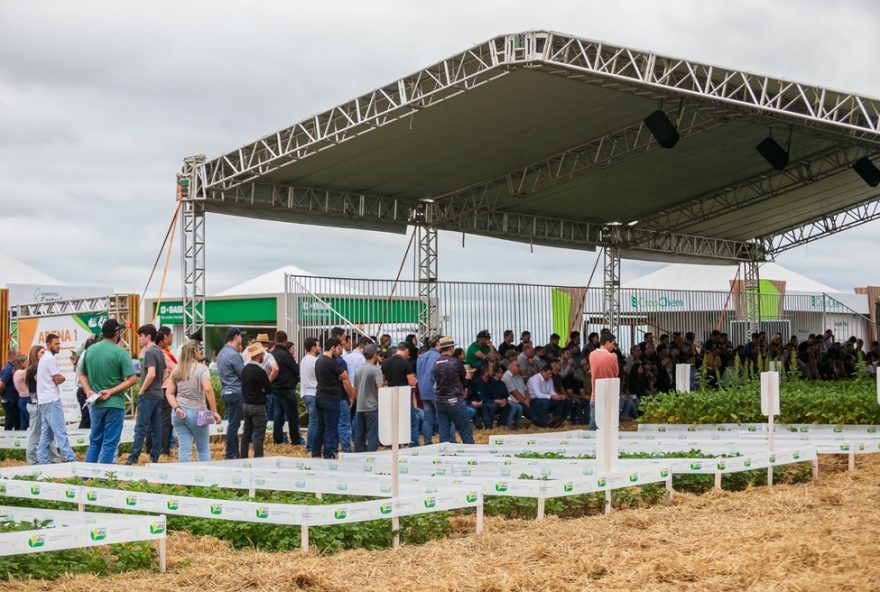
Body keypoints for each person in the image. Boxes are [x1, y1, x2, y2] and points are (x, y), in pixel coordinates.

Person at [80, 319, 138, 464]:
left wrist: (88, 390)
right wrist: (111, 391)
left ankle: (87, 474)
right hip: (114, 404)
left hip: (95, 403)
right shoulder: (120, 352)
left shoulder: (90, 350)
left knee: (94, 442)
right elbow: (132, 379)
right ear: (117, 333)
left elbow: (82, 374)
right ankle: (104, 476)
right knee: (109, 444)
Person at [165, 340, 221, 462]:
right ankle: (204, 474)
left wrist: (176, 408)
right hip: (198, 413)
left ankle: (185, 474)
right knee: (203, 449)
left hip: (179, 413)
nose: (201, 352)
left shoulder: (176, 370)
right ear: (195, 351)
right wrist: (214, 411)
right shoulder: (202, 369)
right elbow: (208, 389)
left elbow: (169, 393)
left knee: (184, 449)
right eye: (199, 350)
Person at [125, 325, 166, 465]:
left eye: (141, 336)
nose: (139, 339)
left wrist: (141, 390)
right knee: (156, 428)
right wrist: (158, 385)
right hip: (158, 394)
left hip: (148, 395)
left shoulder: (149, 352)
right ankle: (154, 458)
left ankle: (133, 458)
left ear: (148, 336)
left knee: (140, 428)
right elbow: (165, 372)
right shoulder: (160, 351)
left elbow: (151, 373)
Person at [36, 334, 76, 463]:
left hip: (44, 400)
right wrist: (63, 378)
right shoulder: (50, 358)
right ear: (48, 345)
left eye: (59, 343)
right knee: (60, 432)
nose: (58, 346)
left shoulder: (45, 358)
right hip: (52, 399)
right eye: (56, 344)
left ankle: (42, 460)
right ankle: (71, 460)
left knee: (46, 434)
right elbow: (57, 379)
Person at [312, 337, 354, 459]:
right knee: (331, 428)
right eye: (339, 349)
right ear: (333, 348)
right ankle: (328, 454)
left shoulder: (319, 360)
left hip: (319, 396)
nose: (340, 352)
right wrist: (351, 395)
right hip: (330, 398)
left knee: (321, 427)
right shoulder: (330, 362)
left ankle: (315, 453)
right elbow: (345, 377)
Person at [433, 336, 474, 444]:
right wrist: (468, 377)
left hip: (440, 401)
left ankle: (444, 453)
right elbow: (464, 379)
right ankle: (471, 452)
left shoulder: (436, 363)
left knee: (444, 434)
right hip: (455, 400)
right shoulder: (455, 362)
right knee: (465, 433)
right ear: (451, 348)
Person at [215, 327, 244, 459]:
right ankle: (231, 453)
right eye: (240, 336)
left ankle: (234, 453)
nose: (241, 338)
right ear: (236, 337)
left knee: (232, 423)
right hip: (235, 392)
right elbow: (243, 374)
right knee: (234, 424)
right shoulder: (234, 355)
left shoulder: (221, 353)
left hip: (225, 392)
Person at [382, 342, 418, 445]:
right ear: (406, 350)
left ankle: (394, 444)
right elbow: (412, 383)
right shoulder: (406, 363)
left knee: (394, 422)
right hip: (404, 396)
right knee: (411, 422)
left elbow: (383, 380)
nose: (408, 355)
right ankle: (414, 445)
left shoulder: (386, 362)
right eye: (408, 353)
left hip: (391, 396)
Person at [271, 331, 303, 446]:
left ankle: (277, 440)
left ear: (275, 340)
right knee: (292, 416)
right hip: (287, 388)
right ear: (285, 340)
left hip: (275, 388)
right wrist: (295, 380)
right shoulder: (286, 355)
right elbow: (296, 369)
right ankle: (295, 440)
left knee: (278, 415)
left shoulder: (272, 354)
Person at [24, 346, 55, 464]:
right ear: (35, 354)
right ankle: (32, 461)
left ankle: (52, 459)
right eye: (42, 352)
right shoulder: (34, 369)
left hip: (39, 404)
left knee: (47, 433)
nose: (44, 354)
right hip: (36, 405)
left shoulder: (35, 368)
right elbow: (45, 382)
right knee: (35, 435)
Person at [240, 341, 271, 458]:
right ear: (258, 355)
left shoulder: (244, 369)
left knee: (246, 434)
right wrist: (262, 389)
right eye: (262, 354)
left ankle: (243, 458)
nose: (263, 356)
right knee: (258, 436)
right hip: (258, 406)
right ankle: (258, 460)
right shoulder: (260, 371)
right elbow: (269, 389)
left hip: (246, 405)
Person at [353, 344, 383, 452]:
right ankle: (371, 456)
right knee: (373, 435)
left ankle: (359, 455)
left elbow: (354, 390)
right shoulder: (376, 370)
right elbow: (380, 389)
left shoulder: (358, 370)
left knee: (359, 434)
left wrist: (358, 401)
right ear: (374, 354)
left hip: (360, 406)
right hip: (372, 407)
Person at [588, 333, 620, 430]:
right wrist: (615, 356)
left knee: (593, 424)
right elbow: (616, 372)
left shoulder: (592, 355)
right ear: (607, 343)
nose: (614, 347)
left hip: (595, 395)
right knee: (609, 426)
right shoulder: (612, 357)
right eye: (613, 344)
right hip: (609, 396)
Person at [415, 337, 441, 445]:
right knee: (443, 417)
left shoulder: (420, 357)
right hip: (435, 391)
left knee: (427, 419)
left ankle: (427, 442)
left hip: (424, 390)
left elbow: (418, 374)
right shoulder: (438, 357)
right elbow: (437, 375)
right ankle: (447, 441)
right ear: (438, 343)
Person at [300, 337, 321, 453]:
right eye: (318, 346)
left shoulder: (303, 360)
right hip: (313, 393)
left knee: (312, 421)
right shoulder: (315, 361)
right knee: (314, 422)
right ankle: (311, 447)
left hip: (305, 393)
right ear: (313, 348)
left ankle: (311, 446)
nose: (319, 348)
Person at [0, 348, 21, 430]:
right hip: (9, 400)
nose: (20, 357)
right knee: (9, 423)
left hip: (13, 400)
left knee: (16, 422)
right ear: (12, 356)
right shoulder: (9, 369)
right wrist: (3, 396)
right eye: (19, 355)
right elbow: (1, 385)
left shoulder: (13, 367)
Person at [12, 354, 28, 430]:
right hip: (26, 398)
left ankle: (21, 436)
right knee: (30, 421)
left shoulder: (16, 372)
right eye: (26, 361)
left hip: (21, 398)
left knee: (23, 423)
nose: (27, 363)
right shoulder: (22, 372)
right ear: (21, 363)